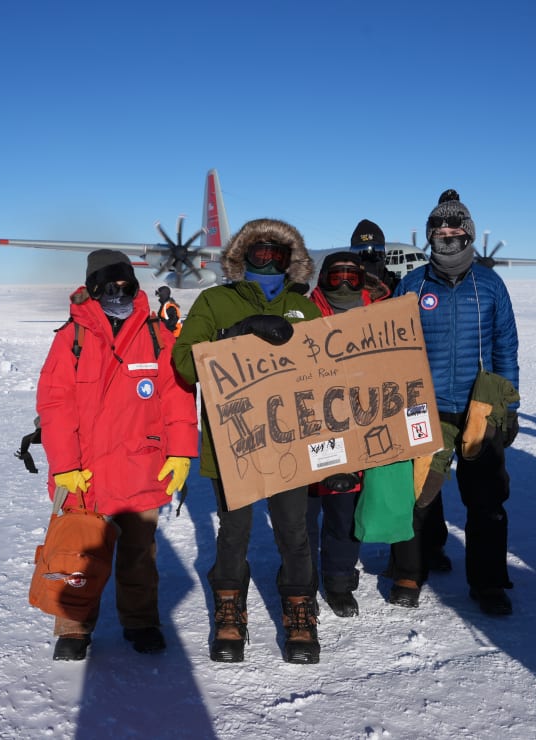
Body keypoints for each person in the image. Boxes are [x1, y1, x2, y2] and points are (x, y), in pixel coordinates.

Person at [172, 218, 323, 664]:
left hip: (290, 440)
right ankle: (229, 611)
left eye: (277, 252)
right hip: (233, 441)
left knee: (295, 531)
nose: (268, 257)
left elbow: (328, 371)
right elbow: (184, 361)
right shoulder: (215, 300)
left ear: (290, 259)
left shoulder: (305, 306)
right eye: (258, 250)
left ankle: (299, 610)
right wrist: (232, 337)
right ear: (241, 255)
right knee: (234, 531)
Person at [36, 249, 198, 660]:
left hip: (141, 466)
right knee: (77, 552)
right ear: (93, 288)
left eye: (127, 285)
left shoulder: (156, 333)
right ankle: (73, 627)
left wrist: (180, 452)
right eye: (111, 286)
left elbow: (177, 396)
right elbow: (55, 406)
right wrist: (65, 466)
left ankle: (141, 622)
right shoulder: (70, 338)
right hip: (85, 471)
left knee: (139, 557)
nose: (120, 293)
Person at [392, 190, 521, 616]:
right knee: (418, 494)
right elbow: (391, 347)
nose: (447, 236)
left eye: (455, 230)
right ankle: (414, 569)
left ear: (467, 234)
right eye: (440, 231)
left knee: (485, 501)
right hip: (424, 407)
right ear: (430, 235)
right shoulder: (413, 284)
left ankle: (487, 583)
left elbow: (506, 346)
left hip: (479, 408)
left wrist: (509, 407)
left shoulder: (490, 285)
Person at [304, 253, 389, 618]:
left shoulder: (381, 313)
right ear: (323, 278)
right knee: (303, 514)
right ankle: (301, 583)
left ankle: (339, 582)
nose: (342, 285)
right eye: (335, 277)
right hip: (308, 426)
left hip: (356, 427)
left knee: (343, 511)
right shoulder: (303, 312)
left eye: (351, 279)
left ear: (362, 280)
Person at [349, 219, 399, 293]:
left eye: (376, 251)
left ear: (384, 254)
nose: (368, 260)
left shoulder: (399, 288)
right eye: (359, 253)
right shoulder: (346, 289)